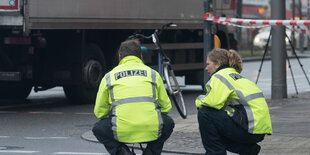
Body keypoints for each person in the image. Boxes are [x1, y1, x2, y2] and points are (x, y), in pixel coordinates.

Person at [92, 39, 174, 155]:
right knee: (169, 123)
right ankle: (151, 152)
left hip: (121, 131)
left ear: (120, 57)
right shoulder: (153, 74)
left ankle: (122, 152)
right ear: (141, 56)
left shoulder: (109, 77)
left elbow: (100, 113)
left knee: (98, 128)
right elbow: (166, 108)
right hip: (151, 130)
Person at [195, 48, 272, 155]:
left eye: (208, 64)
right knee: (215, 127)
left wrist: (198, 101)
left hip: (248, 129)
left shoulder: (220, 76)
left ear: (218, 64)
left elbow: (212, 103)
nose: (206, 68)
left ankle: (215, 153)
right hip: (258, 131)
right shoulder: (237, 77)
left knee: (205, 112)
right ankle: (247, 150)